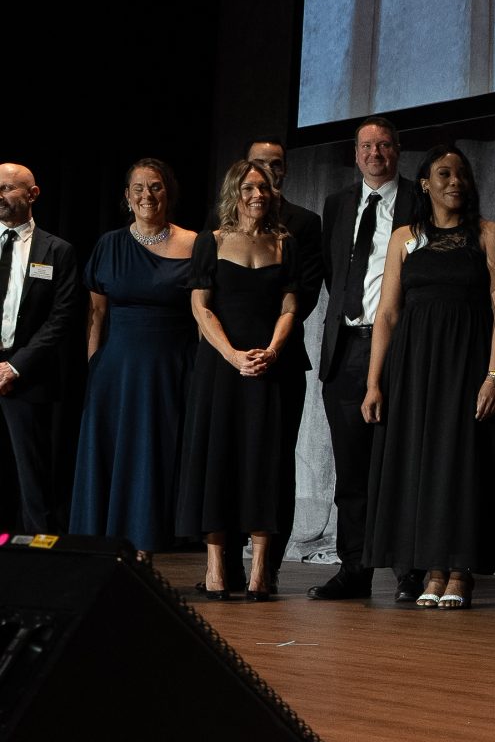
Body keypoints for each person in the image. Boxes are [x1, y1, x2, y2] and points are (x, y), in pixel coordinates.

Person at [362, 148, 495, 607]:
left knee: (461, 460)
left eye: (461, 174)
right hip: (413, 368)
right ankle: (432, 567)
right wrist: (374, 382)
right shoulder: (405, 238)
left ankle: (460, 569)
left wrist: (494, 375)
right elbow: (387, 314)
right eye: (444, 174)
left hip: (467, 363)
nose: (455, 181)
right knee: (421, 461)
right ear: (425, 183)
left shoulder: (488, 234)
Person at [176, 161, 299, 602]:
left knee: (265, 460)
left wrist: (272, 351)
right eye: (248, 187)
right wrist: (231, 355)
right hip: (220, 367)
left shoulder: (285, 242)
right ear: (234, 192)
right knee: (217, 457)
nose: (257, 194)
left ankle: (260, 570)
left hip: (268, 365)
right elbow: (201, 306)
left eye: (263, 187)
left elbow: (290, 306)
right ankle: (214, 568)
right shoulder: (210, 241)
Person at [312, 119, 420, 603]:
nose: (375, 153)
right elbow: (334, 273)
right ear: (355, 154)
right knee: (351, 469)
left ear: (398, 150)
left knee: (401, 463)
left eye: (384, 145)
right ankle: (353, 569)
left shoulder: (419, 199)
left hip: (399, 346)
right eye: (366, 146)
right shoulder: (337, 204)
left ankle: (409, 570)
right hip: (346, 348)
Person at [70, 158, 199, 561]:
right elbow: (96, 314)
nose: (147, 195)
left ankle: (146, 545)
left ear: (168, 193)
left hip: (170, 368)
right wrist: (94, 367)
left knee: (154, 456)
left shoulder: (195, 243)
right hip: (116, 370)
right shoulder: (109, 245)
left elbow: (203, 312)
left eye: (156, 187)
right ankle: (107, 549)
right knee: (113, 455)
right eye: (139, 188)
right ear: (127, 196)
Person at [245, 137, 327, 549]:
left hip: (281, 356)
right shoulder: (220, 220)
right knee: (230, 456)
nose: (267, 172)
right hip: (229, 357)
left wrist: (269, 344)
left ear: (285, 170)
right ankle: (222, 560)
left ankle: (269, 562)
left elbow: (305, 291)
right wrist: (234, 347)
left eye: (275, 164)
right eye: (258, 163)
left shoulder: (305, 222)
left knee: (276, 459)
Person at [0, 163, 79, 533]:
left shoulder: (57, 251)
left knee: (32, 477)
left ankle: (37, 555)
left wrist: (15, 367)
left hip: (26, 376)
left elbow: (61, 318)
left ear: (32, 195)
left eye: (7, 188)